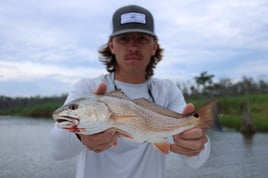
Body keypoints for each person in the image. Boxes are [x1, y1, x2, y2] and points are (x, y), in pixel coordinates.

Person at [48, 4, 210, 178]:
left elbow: (196, 162)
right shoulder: (87, 89)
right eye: (124, 39)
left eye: (142, 38)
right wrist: (81, 137)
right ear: (111, 45)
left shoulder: (167, 90)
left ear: (154, 47)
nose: (133, 47)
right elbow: (56, 150)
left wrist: (196, 144)